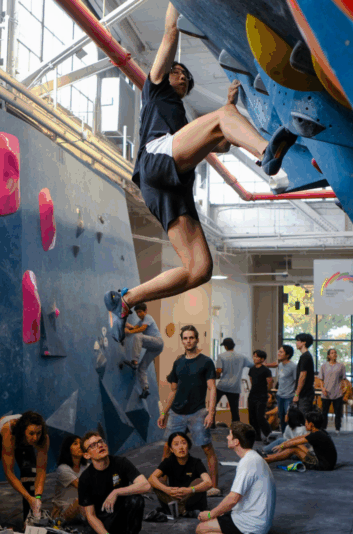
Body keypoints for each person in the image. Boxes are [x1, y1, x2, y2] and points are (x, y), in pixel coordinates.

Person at [105, 2, 282, 343]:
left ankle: (126, 300)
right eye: (178, 72)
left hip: (168, 187)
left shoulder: (182, 122)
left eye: (187, 76)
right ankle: (266, 153)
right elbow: (171, 32)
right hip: (156, 162)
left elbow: (223, 145)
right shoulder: (155, 89)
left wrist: (231, 105)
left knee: (199, 270)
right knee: (219, 119)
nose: (182, 76)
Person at [157, 325, 219, 495]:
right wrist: (164, 412)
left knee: (207, 448)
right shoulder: (178, 362)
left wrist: (211, 412)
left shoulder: (206, 362)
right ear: (182, 340)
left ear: (197, 339)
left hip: (197, 412)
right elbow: (173, 391)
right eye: (185, 338)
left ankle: (213, 486)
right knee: (167, 449)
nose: (188, 341)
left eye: (191, 338)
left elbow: (212, 388)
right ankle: (162, 487)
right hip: (176, 413)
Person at [196, 422, 276, 534]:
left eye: (230, 435)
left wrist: (210, 514)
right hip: (258, 522)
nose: (227, 437)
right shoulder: (253, 458)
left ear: (236, 442)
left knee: (201, 529)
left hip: (251, 526)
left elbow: (233, 499)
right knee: (220, 513)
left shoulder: (247, 463)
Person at [77, 431, 150, 534]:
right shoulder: (85, 479)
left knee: (136, 500)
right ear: (86, 455)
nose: (99, 445)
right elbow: (90, 515)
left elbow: (146, 485)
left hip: (121, 515)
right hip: (102, 521)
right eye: (93, 445)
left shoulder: (121, 463)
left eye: (100, 441)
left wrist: (116, 492)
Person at [0, 411, 49, 528]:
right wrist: (28, 497)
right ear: (24, 431)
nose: (35, 438)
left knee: (30, 474)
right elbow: (9, 473)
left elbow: (41, 470)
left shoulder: (43, 438)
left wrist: (37, 497)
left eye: (38, 433)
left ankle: (28, 521)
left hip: (22, 440)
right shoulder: (10, 431)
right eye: (31, 433)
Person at [148, 431, 212, 518]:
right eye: (176, 444)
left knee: (199, 481)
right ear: (171, 449)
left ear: (188, 446)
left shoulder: (196, 462)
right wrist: (167, 490)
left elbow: (208, 482)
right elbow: (151, 478)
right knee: (158, 481)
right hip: (174, 496)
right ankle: (181, 510)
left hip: (190, 500)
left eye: (183, 443)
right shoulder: (168, 461)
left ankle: (176, 509)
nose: (181, 447)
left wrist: (190, 490)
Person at [264, 409, 337, 471]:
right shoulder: (320, 431)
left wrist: (282, 446)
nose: (305, 424)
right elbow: (298, 438)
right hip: (326, 464)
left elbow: (295, 442)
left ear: (311, 424)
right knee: (295, 445)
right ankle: (268, 458)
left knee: (293, 449)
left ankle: (267, 459)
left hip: (323, 466)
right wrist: (283, 444)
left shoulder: (316, 435)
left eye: (306, 422)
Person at [123, 303, 164, 399]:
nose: (139, 314)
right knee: (142, 368)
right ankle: (145, 388)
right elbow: (135, 327)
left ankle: (134, 361)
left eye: (140, 312)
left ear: (145, 311)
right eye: (137, 312)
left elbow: (142, 329)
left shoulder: (148, 317)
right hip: (154, 348)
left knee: (138, 337)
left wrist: (130, 332)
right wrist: (126, 324)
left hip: (157, 342)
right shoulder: (140, 321)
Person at [213, 338, 252, 426]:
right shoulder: (242, 357)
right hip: (235, 387)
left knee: (213, 406)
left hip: (222, 386)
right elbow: (252, 365)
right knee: (234, 410)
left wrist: (215, 377)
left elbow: (219, 371)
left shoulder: (221, 356)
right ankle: (236, 428)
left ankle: (211, 425)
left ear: (225, 346)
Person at [52, 435, 89, 522]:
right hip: (63, 513)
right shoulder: (63, 469)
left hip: (81, 509)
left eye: (81, 443)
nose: (80, 446)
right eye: (75, 444)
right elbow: (82, 487)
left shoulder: (87, 467)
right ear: (68, 448)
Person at [269, 345, 297, 433]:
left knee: (288, 418)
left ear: (287, 355)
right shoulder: (280, 365)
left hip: (289, 396)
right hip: (280, 395)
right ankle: (284, 436)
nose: (279, 353)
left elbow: (297, 382)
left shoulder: (293, 366)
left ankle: (291, 438)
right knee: (281, 417)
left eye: (281, 352)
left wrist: (296, 395)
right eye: (279, 351)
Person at [247, 350, 273, 443]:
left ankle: (270, 435)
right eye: (254, 356)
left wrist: (267, 392)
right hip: (252, 395)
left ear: (262, 359)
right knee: (252, 417)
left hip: (262, 395)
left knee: (260, 417)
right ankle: (257, 436)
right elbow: (251, 380)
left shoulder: (266, 370)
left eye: (257, 357)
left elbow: (270, 382)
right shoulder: (252, 369)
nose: (255, 358)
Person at [319, 348, 347, 435]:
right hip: (326, 393)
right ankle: (323, 429)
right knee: (324, 412)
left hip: (337, 393)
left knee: (338, 412)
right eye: (332, 353)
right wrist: (322, 388)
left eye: (335, 353)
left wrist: (345, 388)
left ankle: (337, 428)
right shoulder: (324, 366)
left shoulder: (341, 366)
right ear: (328, 355)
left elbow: (344, 379)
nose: (334, 354)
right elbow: (320, 379)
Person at [293, 333, 315, 414]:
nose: (296, 343)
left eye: (298, 341)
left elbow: (302, 376)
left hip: (305, 394)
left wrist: (296, 394)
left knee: (303, 418)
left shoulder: (305, 357)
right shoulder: (305, 356)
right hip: (305, 394)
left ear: (304, 342)